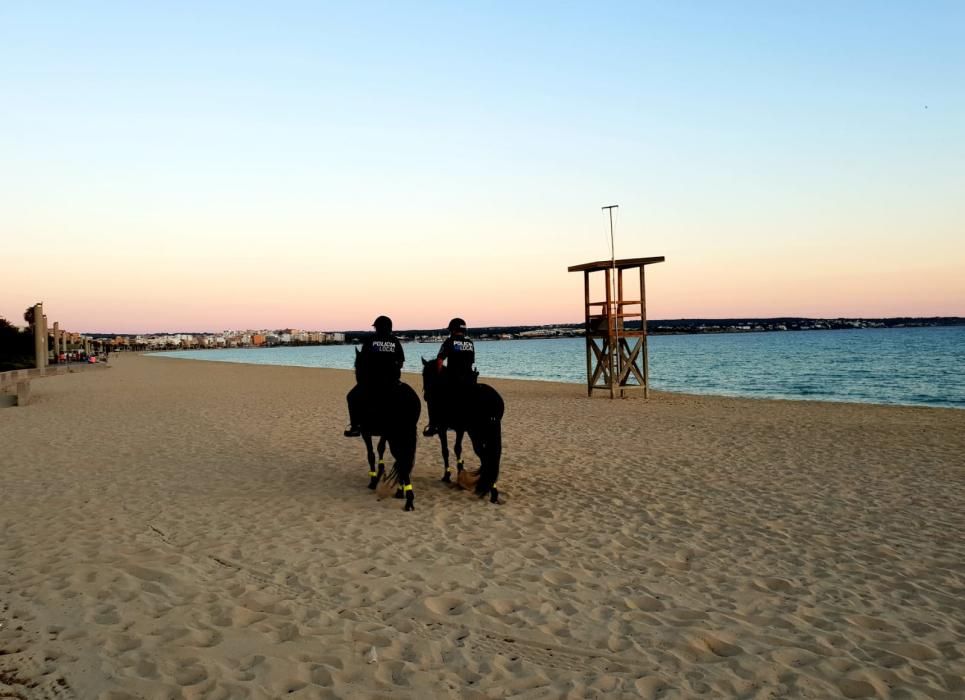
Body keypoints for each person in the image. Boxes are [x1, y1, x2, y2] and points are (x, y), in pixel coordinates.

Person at [344, 315, 405, 437]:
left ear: (377, 327)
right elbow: (401, 363)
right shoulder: (395, 341)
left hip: (373, 380)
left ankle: (355, 427)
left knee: (351, 397)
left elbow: (363, 361)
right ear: (389, 328)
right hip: (393, 380)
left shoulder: (370, 340)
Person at [423, 317, 476, 437]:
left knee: (432, 397)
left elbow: (440, 360)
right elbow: (471, 362)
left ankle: (433, 424)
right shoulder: (470, 343)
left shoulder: (449, 341)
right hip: (469, 378)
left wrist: (437, 374)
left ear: (452, 330)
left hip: (454, 378)